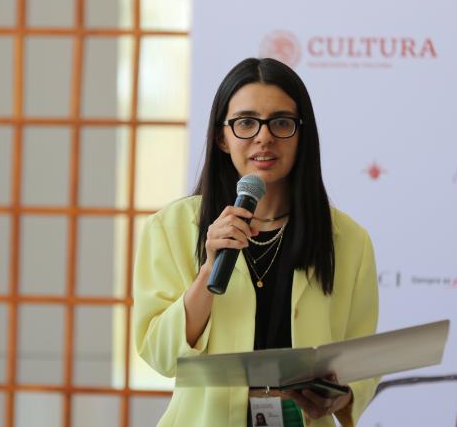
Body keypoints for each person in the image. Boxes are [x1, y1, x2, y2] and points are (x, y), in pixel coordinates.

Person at [133, 57, 379, 427]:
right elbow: (160, 354)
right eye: (246, 123)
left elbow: (360, 359)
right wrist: (208, 271)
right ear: (222, 137)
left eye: (281, 122)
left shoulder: (348, 240)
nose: (264, 137)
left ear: (301, 135)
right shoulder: (172, 227)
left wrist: (343, 395)